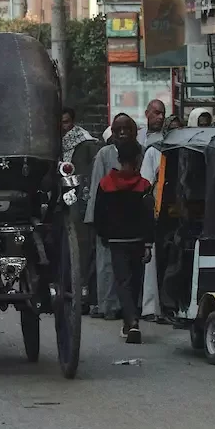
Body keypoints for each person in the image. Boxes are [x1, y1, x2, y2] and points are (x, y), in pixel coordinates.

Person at [94, 138, 155, 345]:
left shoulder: (106, 184)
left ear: (118, 159)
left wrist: (103, 235)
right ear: (138, 160)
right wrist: (148, 243)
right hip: (138, 240)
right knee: (136, 281)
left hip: (116, 240)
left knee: (122, 281)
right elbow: (149, 217)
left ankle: (131, 322)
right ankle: (132, 319)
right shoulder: (144, 186)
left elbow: (99, 214)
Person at [85, 114, 139, 320]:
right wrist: (94, 221)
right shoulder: (104, 154)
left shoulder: (141, 153)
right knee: (106, 265)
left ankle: (131, 308)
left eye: (127, 129)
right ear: (113, 133)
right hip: (108, 220)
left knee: (131, 269)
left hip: (133, 219)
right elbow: (96, 188)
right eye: (119, 130)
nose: (123, 133)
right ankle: (108, 306)